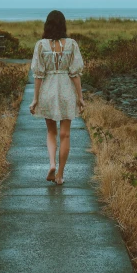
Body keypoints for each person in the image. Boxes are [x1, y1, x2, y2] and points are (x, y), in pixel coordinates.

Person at [29, 10, 85, 185]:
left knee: (51, 131)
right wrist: (80, 97)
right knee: (65, 134)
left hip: (48, 90)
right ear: (63, 25)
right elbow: (75, 74)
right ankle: (60, 174)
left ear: (47, 25)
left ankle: (52, 163)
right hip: (66, 90)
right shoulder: (72, 44)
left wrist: (35, 99)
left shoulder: (41, 45)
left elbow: (38, 75)